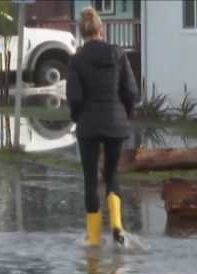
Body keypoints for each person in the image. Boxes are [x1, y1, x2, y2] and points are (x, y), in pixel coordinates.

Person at [66, 7, 139, 247]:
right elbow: (131, 92)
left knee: (90, 180)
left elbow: (74, 98)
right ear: (101, 29)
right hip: (115, 123)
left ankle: (94, 240)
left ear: (82, 32)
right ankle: (117, 225)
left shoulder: (77, 60)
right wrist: (123, 116)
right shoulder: (118, 54)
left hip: (88, 124)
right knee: (112, 174)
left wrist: (79, 117)